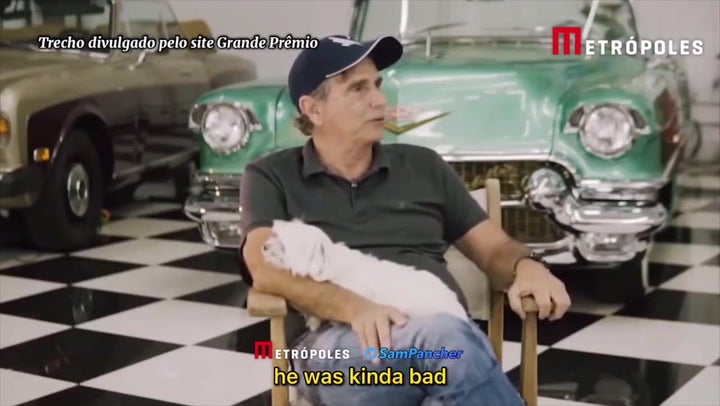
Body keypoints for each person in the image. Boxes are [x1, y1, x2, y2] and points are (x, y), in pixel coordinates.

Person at [240, 34, 571, 406]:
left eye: (378, 85)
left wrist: (527, 267)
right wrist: (355, 308)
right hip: (334, 350)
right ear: (313, 109)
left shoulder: (423, 166)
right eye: (358, 89)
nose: (380, 100)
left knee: (446, 363)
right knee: (448, 346)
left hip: (442, 341)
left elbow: (493, 248)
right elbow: (262, 265)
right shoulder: (271, 175)